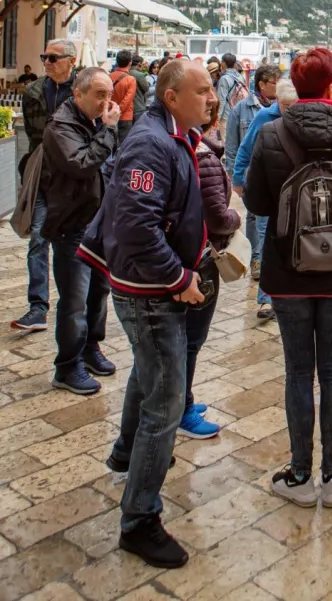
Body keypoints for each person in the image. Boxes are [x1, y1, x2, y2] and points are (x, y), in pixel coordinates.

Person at [79, 60, 216, 570]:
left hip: (153, 286)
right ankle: (139, 520)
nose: (212, 98)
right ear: (172, 96)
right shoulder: (150, 142)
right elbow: (136, 223)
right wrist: (178, 278)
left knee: (147, 374)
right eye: (202, 91)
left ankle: (123, 454)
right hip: (150, 290)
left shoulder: (173, 134)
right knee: (165, 399)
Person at [244, 47, 332, 507]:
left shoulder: (269, 135)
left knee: (298, 370)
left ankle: (300, 474)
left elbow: (259, 205)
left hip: (286, 271)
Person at [42, 67, 121, 394]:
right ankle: (67, 365)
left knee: (98, 293)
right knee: (74, 299)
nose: (106, 102)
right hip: (72, 226)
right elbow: (82, 163)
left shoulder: (92, 123)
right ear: (78, 94)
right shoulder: (60, 128)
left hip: (97, 224)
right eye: (100, 95)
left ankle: (90, 348)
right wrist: (108, 131)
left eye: (109, 95)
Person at [180, 95, 242, 440]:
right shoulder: (204, 158)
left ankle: (183, 398)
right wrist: (236, 221)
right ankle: (182, 408)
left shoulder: (198, 152)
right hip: (201, 259)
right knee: (191, 338)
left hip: (193, 254)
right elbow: (218, 217)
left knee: (188, 338)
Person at [11, 39, 78, 333]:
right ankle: (37, 307)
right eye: (45, 57)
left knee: (71, 244)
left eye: (54, 57)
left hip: (74, 177)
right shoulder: (34, 91)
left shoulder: (84, 89)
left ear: (71, 60)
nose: (47, 62)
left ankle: (74, 304)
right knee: (38, 237)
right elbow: (35, 133)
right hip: (42, 174)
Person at [233, 78, 299, 322]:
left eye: (294, 105)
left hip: (295, 194)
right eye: (286, 106)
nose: (290, 110)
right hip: (270, 192)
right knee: (265, 240)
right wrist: (238, 179)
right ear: (277, 103)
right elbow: (245, 149)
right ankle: (266, 299)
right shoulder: (264, 118)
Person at [225, 62, 280, 279]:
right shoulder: (242, 109)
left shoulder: (281, 108)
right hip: (250, 175)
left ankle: (260, 258)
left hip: (271, 175)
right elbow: (233, 145)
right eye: (274, 83)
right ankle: (255, 259)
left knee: (262, 219)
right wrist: (234, 176)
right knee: (255, 218)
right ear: (262, 84)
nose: (278, 87)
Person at [110, 49, 138, 144]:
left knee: (110, 142)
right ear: (130, 63)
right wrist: (119, 110)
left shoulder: (109, 76)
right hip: (125, 116)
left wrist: (113, 111)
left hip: (109, 114)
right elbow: (127, 100)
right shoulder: (130, 79)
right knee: (123, 145)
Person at [215, 53, 245, 140]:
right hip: (239, 113)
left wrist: (217, 117)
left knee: (226, 143)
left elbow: (222, 100)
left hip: (226, 116)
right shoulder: (240, 77)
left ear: (223, 63)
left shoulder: (224, 78)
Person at [130, 56, 151, 122]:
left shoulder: (127, 72)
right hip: (138, 106)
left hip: (128, 107)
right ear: (139, 64)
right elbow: (146, 88)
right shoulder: (139, 75)